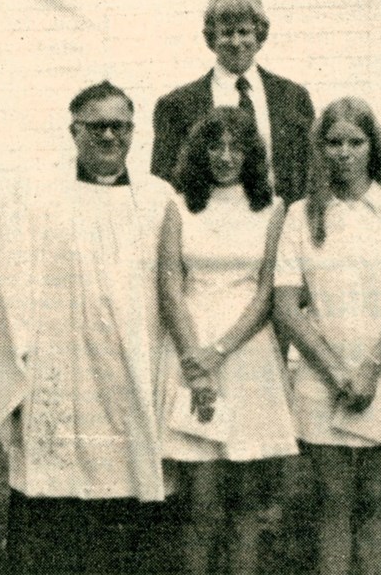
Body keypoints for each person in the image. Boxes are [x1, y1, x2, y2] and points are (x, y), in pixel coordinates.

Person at [0, 81, 177, 574]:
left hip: (133, 367)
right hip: (61, 371)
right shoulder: (36, 198)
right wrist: (21, 371)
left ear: (134, 131)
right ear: (74, 131)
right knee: (56, 496)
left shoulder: (157, 198)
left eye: (120, 126)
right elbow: (3, 282)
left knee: (131, 488)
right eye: (96, 126)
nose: (109, 136)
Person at [274, 97, 381, 575]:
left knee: (378, 511)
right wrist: (337, 370)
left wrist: (369, 369)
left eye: (354, 142)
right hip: (323, 381)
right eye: (333, 142)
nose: (343, 153)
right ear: (319, 149)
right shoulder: (301, 216)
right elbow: (286, 304)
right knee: (333, 509)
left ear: (372, 147)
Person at [157, 106, 298, 574]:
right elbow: (171, 285)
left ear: (251, 153)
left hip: (248, 356)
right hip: (189, 354)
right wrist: (195, 359)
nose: (225, 156)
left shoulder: (271, 208)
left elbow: (266, 292)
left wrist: (221, 350)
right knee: (199, 504)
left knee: (246, 503)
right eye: (215, 146)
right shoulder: (178, 206)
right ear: (200, 152)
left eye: (236, 147)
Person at [152, 0, 315, 204]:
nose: (236, 42)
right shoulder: (178, 104)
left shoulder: (293, 97)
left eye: (244, 32)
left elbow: (312, 172)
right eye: (227, 33)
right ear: (211, 39)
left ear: (259, 35)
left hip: (283, 227)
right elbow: (164, 186)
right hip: (209, 228)